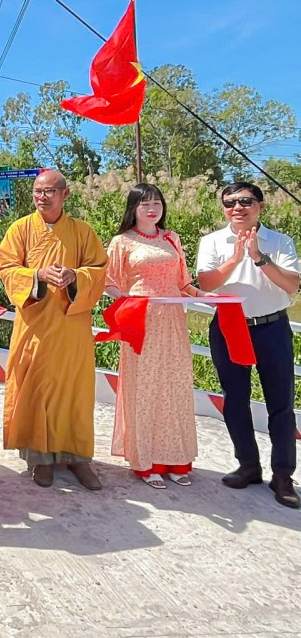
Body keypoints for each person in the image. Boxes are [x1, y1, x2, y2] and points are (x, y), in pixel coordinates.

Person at [0, 169, 108, 490]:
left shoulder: (82, 231)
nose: (42, 197)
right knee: (37, 387)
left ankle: (77, 457)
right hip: (35, 324)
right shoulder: (20, 229)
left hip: (72, 326)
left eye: (49, 191)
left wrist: (75, 276)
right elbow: (6, 268)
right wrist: (37, 276)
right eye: (37, 191)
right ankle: (40, 459)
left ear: (65, 194)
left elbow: (99, 269)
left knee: (74, 390)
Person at [196, 181, 301, 508]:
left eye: (245, 201)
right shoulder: (212, 241)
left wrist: (257, 256)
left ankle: (283, 476)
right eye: (230, 203)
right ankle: (248, 465)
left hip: (271, 327)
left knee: (280, 404)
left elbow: (292, 285)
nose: (237, 208)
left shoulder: (280, 241)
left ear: (260, 206)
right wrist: (235, 258)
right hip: (230, 326)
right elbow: (206, 282)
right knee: (235, 400)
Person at [105, 184, 201, 488]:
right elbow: (109, 282)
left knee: (174, 385)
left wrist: (206, 296)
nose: (152, 209)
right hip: (140, 321)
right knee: (144, 388)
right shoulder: (122, 242)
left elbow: (183, 283)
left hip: (172, 321)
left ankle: (175, 459)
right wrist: (125, 300)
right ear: (133, 208)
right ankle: (146, 462)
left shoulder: (172, 238)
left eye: (157, 203)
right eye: (145, 203)